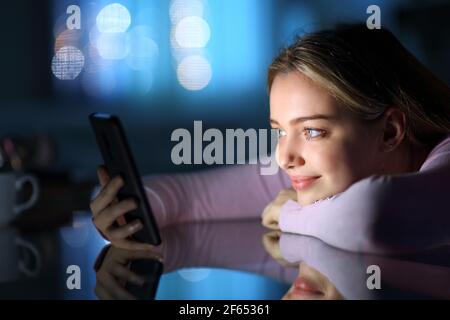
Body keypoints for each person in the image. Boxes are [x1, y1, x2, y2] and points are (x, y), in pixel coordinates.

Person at [90, 24, 450, 254]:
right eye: (279, 131)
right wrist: (129, 213)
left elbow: (369, 217)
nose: (285, 157)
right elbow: (191, 197)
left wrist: (290, 215)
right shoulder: (320, 169)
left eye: (312, 131)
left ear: (389, 131)